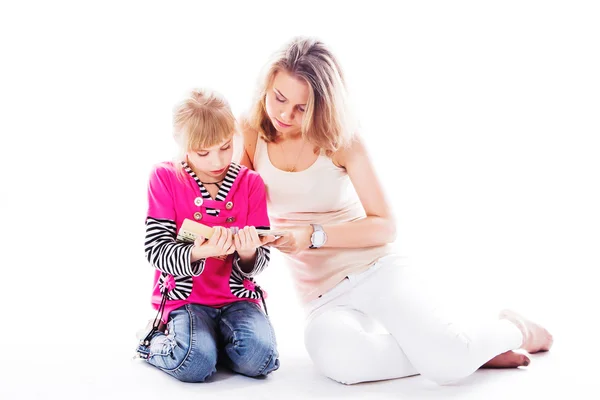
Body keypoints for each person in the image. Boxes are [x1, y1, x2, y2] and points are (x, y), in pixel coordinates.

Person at [238, 36, 553, 385]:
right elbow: (230, 204)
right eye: (280, 98)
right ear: (267, 86)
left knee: (445, 367)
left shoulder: (341, 139)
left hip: (376, 270)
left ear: (321, 105)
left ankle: (511, 329)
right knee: (344, 365)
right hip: (321, 299)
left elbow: (385, 226)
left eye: (302, 107)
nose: (286, 114)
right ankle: (462, 350)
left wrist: (312, 235)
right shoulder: (251, 134)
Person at [135, 88, 280, 382]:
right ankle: (151, 341)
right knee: (195, 364)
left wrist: (249, 252)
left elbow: (262, 261)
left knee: (260, 359)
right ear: (182, 143)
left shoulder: (250, 183)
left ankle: (213, 344)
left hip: (237, 298)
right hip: (187, 299)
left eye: (226, 146)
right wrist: (200, 251)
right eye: (203, 152)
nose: (217, 161)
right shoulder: (165, 177)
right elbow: (155, 250)